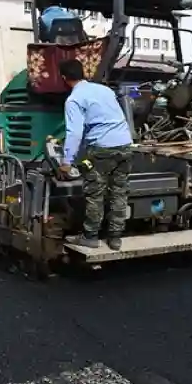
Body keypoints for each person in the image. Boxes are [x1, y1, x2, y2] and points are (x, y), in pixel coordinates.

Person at [58, 59, 133, 250]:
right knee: (119, 192)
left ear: (64, 78)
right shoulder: (105, 90)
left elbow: (74, 133)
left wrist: (66, 162)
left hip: (102, 149)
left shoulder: (74, 100)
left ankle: (90, 236)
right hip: (125, 145)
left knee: (95, 194)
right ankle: (115, 238)